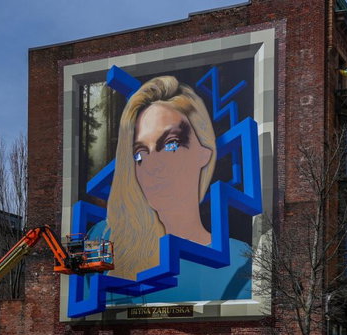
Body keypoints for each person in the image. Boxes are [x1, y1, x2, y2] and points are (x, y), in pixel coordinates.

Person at [88, 75, 251, 303]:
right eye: (140, 152)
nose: (152, 164)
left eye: (171, 144)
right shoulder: (105, 235)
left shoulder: (240, 260)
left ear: (204, 152)